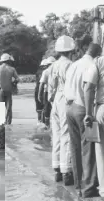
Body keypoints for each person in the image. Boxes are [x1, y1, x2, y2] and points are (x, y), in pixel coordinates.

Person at [65, 43, 102, 198]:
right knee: (89, 150)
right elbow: (88, 89)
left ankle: (79, 185)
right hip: (83, 109)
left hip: (70, 108)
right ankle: (89, 188)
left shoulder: (74, 65)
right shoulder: (93, 64)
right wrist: (89, 113)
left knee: (75, 148)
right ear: (98, 54)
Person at [49, 35, 75, 186]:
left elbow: (51, 88)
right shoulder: (70, 65)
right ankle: (67, 172)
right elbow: (71, 86)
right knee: (66, 135)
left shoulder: (53, 65)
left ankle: (57, 169)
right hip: (65, 99)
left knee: (57, 135)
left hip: (56, 101)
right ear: (71, 49)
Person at [83, 55, 104, 198]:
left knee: (101, 151)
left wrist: (88, 113)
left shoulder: (99, 62)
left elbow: (89, 87)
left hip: (102, 108)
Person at [0, 53, 20, 125]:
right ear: (8, 60)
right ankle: (8, 124)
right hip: (8, 90)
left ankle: (0, 124)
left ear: (2, 61)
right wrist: (13, 83)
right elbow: (18, 79)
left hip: (0, 90)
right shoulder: (12, 69)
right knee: (8, 108)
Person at [38, 56, 56, 128]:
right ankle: (53, 125)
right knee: (54, 108)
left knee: (47, 108)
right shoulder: (56, 70)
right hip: (55, 93)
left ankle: (47, 125)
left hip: (47, 92)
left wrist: (39, 95)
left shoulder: (46, 71)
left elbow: (41, 84)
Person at [35, 59, 48, 125]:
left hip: (37, 90)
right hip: (43, 91)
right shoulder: (45, 72)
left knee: (39, 108)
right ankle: (43, 122)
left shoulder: (38, 72)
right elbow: (42, 83)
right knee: (45, 107)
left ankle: (39, 121)